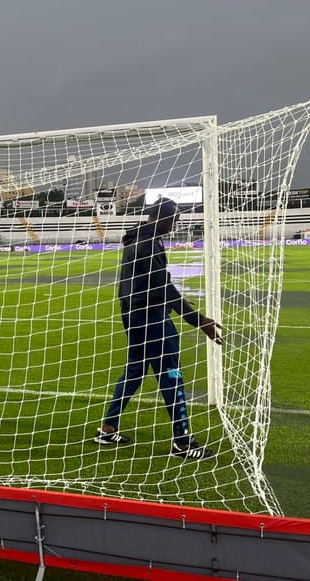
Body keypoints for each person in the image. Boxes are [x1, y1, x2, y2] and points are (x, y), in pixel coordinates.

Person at [96, 197, 224, 460]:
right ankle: (183, 442)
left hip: (134, 315)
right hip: (150, 318)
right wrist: (198, 319)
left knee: (135, 370)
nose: (176, 224)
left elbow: (152, 283)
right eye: (174, 219)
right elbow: (160, 287)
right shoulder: (148, 243)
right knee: (172, 375)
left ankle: (108, 428)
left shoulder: (141, 238)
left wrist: (169, 302)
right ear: (164, 218)